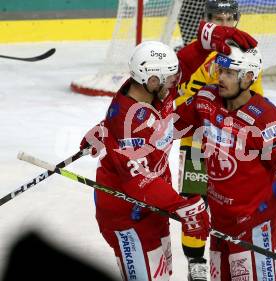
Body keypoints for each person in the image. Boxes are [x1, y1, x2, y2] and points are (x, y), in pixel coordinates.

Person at [80, 21, 258, 281]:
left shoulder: (154, 90)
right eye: (169, 78)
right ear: (151, 79)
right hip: (128, 214)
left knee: (162, 275)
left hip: (154, 205)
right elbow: (138, 181)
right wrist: (186, 206)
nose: (177, 81)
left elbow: (186, 63)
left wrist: (208, 39)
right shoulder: (127, 120)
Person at [174, 44, 276, 281]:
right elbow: (171, 127)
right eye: (220, 70)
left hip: (255, 222)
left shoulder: (263, 116)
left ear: (249, 77)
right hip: (220, 220)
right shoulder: (206, 99)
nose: (221, 78)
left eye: (229, 73)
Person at [175, 1, 264, 280]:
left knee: (229, 203)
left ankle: (228, 257)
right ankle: (196, 263)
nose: (224, 24)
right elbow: (177, 102)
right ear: (207, 19)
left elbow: (256, 102)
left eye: (228, 18)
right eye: (217, 18)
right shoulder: (194, 52)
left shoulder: (247, 51)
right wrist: (198, 89)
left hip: (228, 145)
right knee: (193, 203)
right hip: (196, 142)